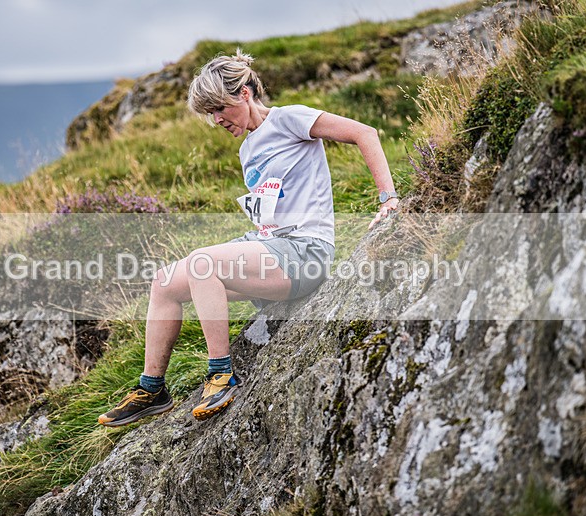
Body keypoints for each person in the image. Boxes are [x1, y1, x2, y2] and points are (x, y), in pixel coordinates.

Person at [98, 49, 398, 427]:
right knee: (164, 283)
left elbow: (363, 133)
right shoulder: (247, 149)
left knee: (203, 263)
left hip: (305, 252)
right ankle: (152, 389)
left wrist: (388, 200)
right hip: (270, 249)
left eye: (220, 108)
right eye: (210, 114)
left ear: (244, 93)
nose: (216, 119)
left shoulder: (290, 119)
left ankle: (221, 375)